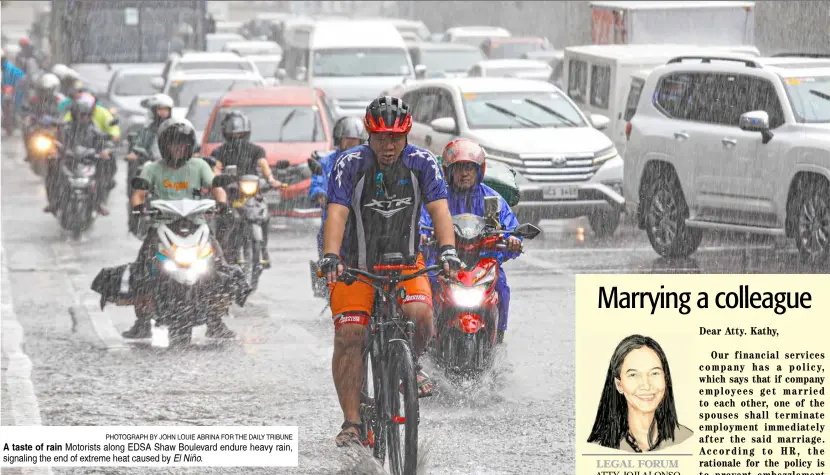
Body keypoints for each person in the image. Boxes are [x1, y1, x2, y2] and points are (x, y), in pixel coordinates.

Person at [317, 96, 461, 447]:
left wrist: (448, 250)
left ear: (407, 135)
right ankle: (351, 421)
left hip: (406, 263)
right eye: (381, 138)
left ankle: (410, 363)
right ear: (369, 134)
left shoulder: (423, 163)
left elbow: (440, 210)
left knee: (422, 315)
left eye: (395, 138)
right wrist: (331, 256)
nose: (388, 145)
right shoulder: (349, 164)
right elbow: (336, 212)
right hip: (356, 267)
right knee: (350, 335)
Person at [123, 117, 235, 340]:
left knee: (220, 269)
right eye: (174, 144)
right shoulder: (152, 168)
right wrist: (137, 206)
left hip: (197, 226)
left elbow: (216, 187)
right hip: (162, 227)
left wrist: (222, 203)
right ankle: (143, 321)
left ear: (190, 146)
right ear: (164, 145)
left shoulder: (200, 166)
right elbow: (139, 193)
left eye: (183, 144)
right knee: (143, 270)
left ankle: (216, 320)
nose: (178, 148)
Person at [418, 138, 521, 344]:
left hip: (482, 261)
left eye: (470, 168)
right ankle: (425, 339)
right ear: (449, 171)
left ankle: (498, 338)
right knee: (425, 284)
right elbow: (422, 220)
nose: (465, 173)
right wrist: (422, 234)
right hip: (443, 261)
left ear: (479, 170)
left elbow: (512, 228)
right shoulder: (438, 198)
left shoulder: (493, 200)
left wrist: (513, 240)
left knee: (501, 286)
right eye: (459, 168)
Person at [587, 334, 693, 452]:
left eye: (654, 373)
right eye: (633, 375)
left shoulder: (687, 440)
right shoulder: (599, 446)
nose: (646, 386)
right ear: (619, 385)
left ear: (665, 378)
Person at [210, 110, 281, 267]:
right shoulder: (219, 152)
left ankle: (263, 248)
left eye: (241, 134)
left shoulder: (256, 150)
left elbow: (263, 165)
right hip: (230, 194)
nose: (237, 138)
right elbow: (216, 168)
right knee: (223, 219)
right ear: (226, 134)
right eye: (234, 135)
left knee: (264, 215)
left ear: (247, 133)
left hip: (251, 193)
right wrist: (215, 179)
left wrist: (271, 179)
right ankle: (221, 253)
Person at [308, 116, 367, 259]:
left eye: (355, 141)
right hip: (334, 219)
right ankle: (324, 273)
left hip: (365, 220)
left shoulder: (370, 162)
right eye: (347, 140)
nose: (351, 145)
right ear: (338, 141)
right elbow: (318, 182)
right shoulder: (326, 162)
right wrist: (320, 195)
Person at [45, 93, 113, 214]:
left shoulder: (95, 131)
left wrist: (104, 151)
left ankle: (99, 202)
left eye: (87, 115)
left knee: (105, 169)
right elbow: (55, 140)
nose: (84, 118)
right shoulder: (65, 129)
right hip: (68, 160)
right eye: (81, 115)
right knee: (52, 168)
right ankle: (54, 201)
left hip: (89, 161)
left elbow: (104, 143)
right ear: (75, 115)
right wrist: (54, 150)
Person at [1, 49, 25, 114]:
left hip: (19, 85)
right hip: (16, 85)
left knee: (14, 108)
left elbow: (7, 86)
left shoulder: (7, 69)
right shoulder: (5, 67)